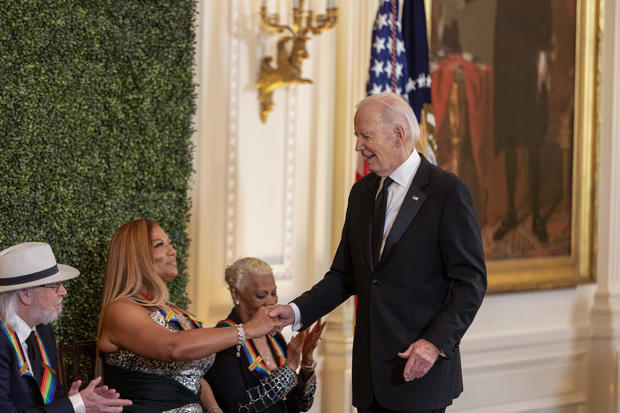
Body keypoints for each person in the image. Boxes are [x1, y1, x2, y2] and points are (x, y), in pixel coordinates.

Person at [270, 92, 487, 413]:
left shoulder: (447, 192)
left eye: (365, 135)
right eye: (357, 135)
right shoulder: (362, 193)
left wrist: (434, 344)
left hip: (418, 372)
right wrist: (297, 310)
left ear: (398, 134)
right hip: (371, 378)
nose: (358, 145)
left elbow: (470, 283)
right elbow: (345, 275)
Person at [97, 219, 281, 413]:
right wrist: (249, 329)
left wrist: (213, 409)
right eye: (160, 245)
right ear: (135, 257)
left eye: (170, 243)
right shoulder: (120, 309)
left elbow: (194, 379)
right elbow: (173, 347)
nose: (172, 251)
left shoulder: (172, 310)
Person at [0, 241, 132, 413]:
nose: (63, 291)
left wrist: (73, 405)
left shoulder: (43, 333)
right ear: (25, 295)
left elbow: (51, 400)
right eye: (54, 285)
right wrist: (73, 405)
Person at [206, 257, 324, 413]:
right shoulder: (224, 338)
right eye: (261, 295)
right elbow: (240, 406)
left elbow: (301, 404)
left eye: (273, 293)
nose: (271, 301)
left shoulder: (274, 336)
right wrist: (289, 368)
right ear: (236, 294)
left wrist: (306, 363)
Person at [492, 0, 552, 243]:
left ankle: (537, 215)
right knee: (510, 145)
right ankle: (511, 214)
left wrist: (542, 64)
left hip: (530, 71)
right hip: (507, 72)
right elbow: (499, 35)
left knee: (533, 145)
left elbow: (545, 30)